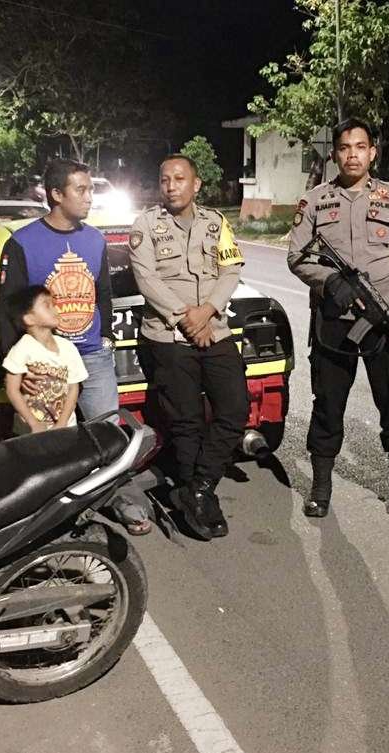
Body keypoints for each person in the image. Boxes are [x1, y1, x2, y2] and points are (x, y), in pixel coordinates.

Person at [0, 158, 151, 534]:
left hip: (93, 356)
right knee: (51, 443)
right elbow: (8, 308)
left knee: (110, 433)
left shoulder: (94, 240)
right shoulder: (22, 243)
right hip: (46, 362)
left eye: (90, 190)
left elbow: (103, 293)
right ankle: (47, 517)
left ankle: (121, 500)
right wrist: (18, 364)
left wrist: (106, 336)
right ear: (55, 194)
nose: (89, 197)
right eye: (81, 190)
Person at [287, 118, 389, 519]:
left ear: (373, 152)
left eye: (361, 147)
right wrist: (330, 280)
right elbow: (296, 256)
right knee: (328, 405)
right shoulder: (314, 200)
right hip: (334, 321)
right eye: (345, 147)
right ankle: (320, 488)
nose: (353, 154)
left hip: (385, 321)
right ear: (335, 153)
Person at [128, 154, 249, 540]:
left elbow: (231, 269)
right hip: (168, 334)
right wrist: (186, 318)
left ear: (196, 185)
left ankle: (199, 486)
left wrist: (207, 311)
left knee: (235, 409)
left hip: (214, 329)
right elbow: (146, 278)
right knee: (186, 421)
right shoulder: (146, 225)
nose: (171, 186)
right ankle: (197, 498)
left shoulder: (217, 222)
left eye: (179, 179)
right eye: (165, 179)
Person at [1, 286, 88, 434]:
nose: (55, 310)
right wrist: (33, 423)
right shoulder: (22, 349)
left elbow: (74, 388)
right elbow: (12, 389)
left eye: (53, 304)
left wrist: (62, 423)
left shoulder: (67, 347)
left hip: (66, 428)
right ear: (29, 319)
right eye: (47, 306)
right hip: (32, 432)